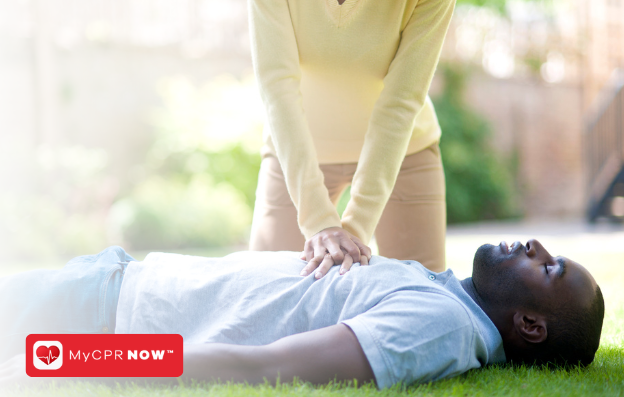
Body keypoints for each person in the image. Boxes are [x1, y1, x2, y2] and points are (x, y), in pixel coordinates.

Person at [0, 239, 604, 388]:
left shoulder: (442, 326)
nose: (536, 246)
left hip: (102, 315)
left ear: (530, 326)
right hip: (118, 277)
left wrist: (76, 356)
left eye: (550, 268)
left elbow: (267, 367)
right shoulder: (443, 295)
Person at [247, 0, 458, 273]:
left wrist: (355, 234)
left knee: (422, 291)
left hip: (402, 155)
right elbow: (276, 85)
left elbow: (402, 98)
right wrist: (319, 222)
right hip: (296, 155)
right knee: (265, 288)